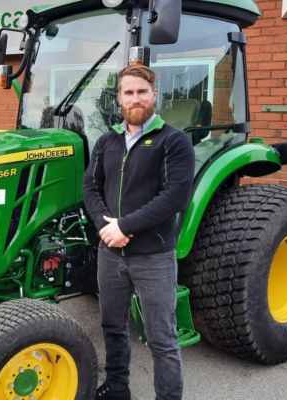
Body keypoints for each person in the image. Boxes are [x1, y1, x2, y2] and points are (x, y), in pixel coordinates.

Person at [83, 65, 195, 400]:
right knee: (113, 327)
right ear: (119, 98)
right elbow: (90, 188)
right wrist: (105, 227)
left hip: (153, 257)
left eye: (142, 92)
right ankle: (118, 388)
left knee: (162, 338)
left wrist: (124, 226)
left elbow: (174, 197)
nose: (136, 98)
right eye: (129, 92)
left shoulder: (173, 141)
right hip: (110, 254)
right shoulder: (107, 141)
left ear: (153, 95)